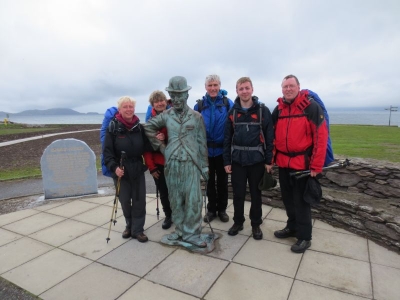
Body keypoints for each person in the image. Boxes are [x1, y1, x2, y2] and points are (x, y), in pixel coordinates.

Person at [144, 76, 209, 248]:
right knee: (175, 199)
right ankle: (181, 231)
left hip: (191, 163)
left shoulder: (196, 117)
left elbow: (202, 143)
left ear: (187, 95)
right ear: (170, 96)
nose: (178, 98)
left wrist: (205, 166)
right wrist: (162, 147)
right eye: (174, 94)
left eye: (181, 94)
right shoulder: (166, 115)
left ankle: (192, 233)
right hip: (172, 163)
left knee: (194, 200)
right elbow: (148, 128)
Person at [272, 74, 328, 253]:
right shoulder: (278, 110)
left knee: (301, 202)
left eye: (291, 86)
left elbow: (321, 136)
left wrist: (316, 166)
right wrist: (271, 159)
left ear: (298, 87)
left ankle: (305, 237)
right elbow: (272, 136)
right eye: (285, 86)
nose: (288, 89)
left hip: (302, 165)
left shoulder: (311, 107)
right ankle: (292, 227)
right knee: (288, 199)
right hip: (283, 163)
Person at [223, 77, 274, 240]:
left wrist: (268, 161)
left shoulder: (262, 111)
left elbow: (269, 137)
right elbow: (227, 138)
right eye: (241, 89)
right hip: (237, 160)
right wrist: (227, 161)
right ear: (236, 91)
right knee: (238, 194)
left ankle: (256, 224)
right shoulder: (232, 113)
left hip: (256, 160)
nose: (244, 91)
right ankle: (238, 222)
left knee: (256, 194)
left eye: (247, 88)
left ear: (252, 89)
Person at [103, 96, 153, 243]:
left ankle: (138, 230)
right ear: (120, 109)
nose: (129, 109)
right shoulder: (112, 128)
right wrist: (115, 168)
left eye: (131, 106)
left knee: (139, 200)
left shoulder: (139, 127)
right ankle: (129, 225)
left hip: (137, 168)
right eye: (125, 107)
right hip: (120, 170)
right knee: (125, 200)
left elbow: (147, 148)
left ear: (134, 109)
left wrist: (158, 138)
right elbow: (107, 152)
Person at [194, 74, 233, 223]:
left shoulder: (227, 103)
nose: (213, 88)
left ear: (219, 86)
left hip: (222, 151)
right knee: (209, 182)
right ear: (205, 87)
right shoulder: (199, 105)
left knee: (223, 182)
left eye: (215, 85)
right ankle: (211, 210)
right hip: (205, 152)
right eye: (210, 85)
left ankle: (222, 210)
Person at [143, 90, 172, 229]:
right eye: (157, 101)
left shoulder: (174, 117)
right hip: (159, 163)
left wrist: (164, 138)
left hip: (174, 161)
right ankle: (169, 215)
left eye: (162, 100)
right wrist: (151, 167)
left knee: (177, 191)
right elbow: (146, 149)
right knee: (164, 192)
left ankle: (180, 214)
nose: (160, 103)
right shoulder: (150, 123)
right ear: (152, 105)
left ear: (166, 102)